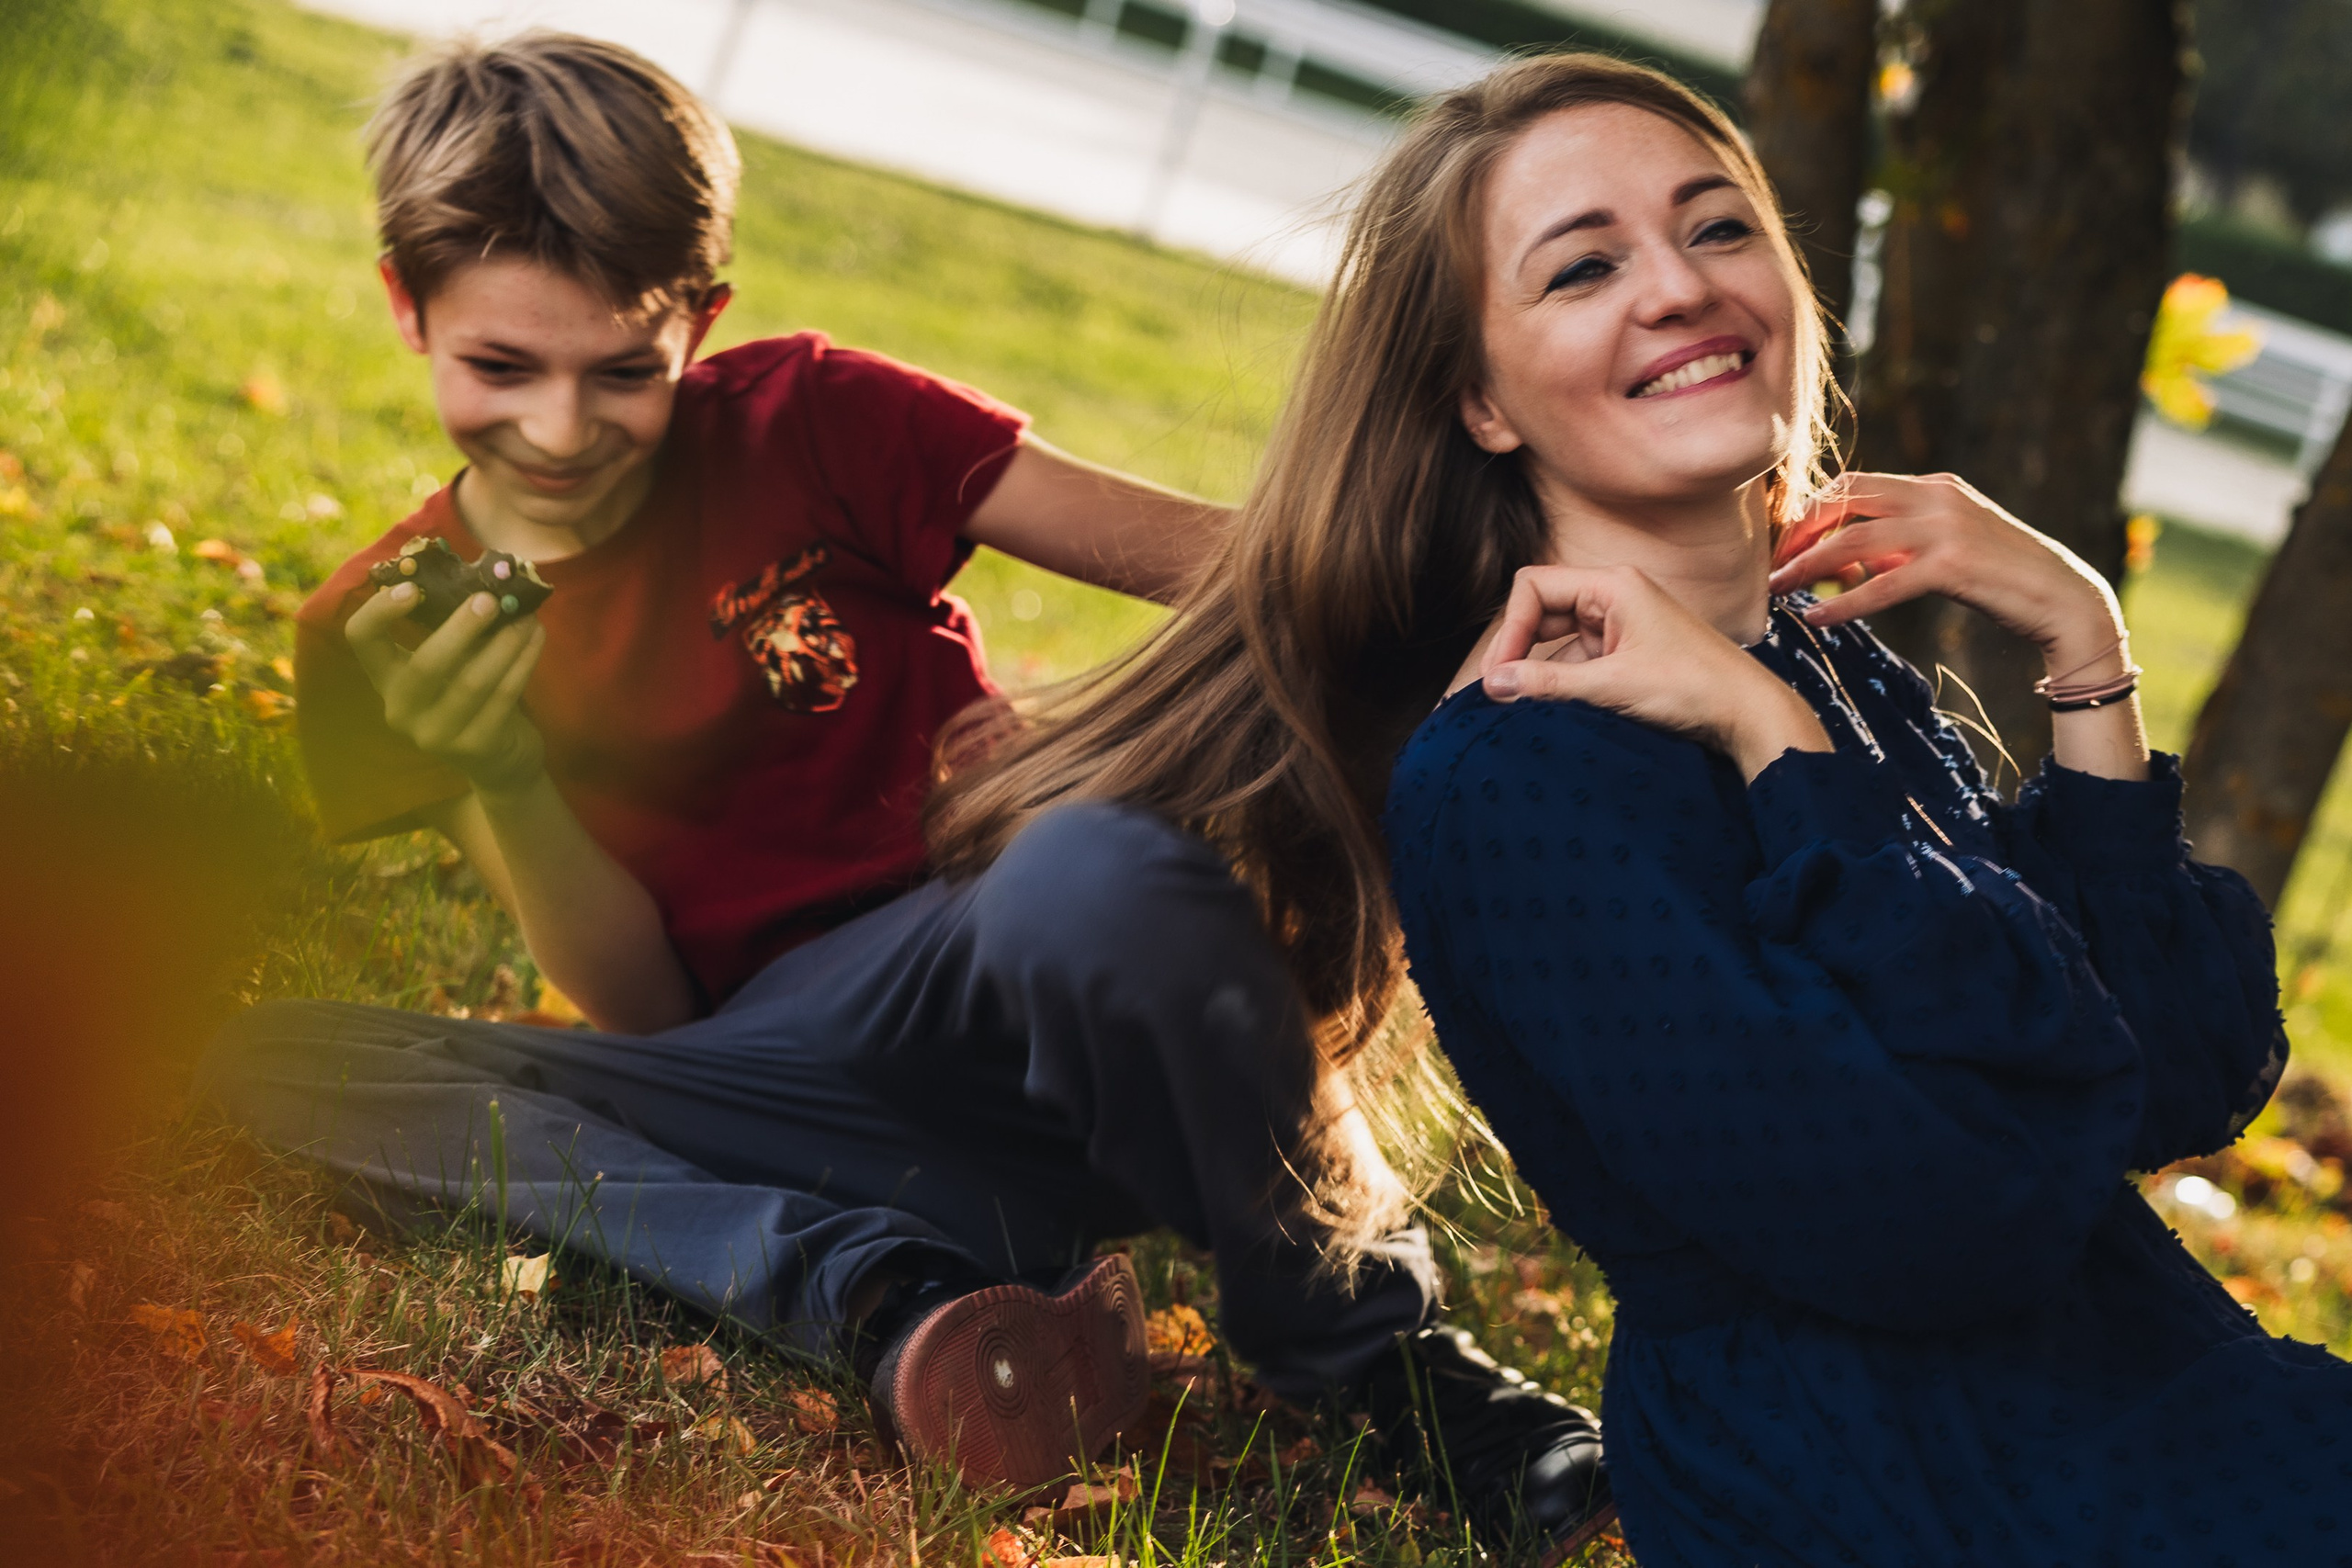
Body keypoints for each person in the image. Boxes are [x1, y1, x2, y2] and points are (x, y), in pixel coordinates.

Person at [924, 48, 2352, 1568]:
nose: (1678, 289)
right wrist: (1773, 746)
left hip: (2149, 1397)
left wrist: (2083, 648)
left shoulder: (1826, 667)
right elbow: (1941, 1220)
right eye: (1584, 266)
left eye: (1718, 227)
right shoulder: (1517, 775)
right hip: (1892, 1480)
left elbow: (2187, 1072)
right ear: (1479, 399)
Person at [201, 31, 1604, 1533]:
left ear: (701, 319)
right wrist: (502, 773)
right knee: (261, 1057)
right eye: (499, 367)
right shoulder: (381, 630)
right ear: (406, 307)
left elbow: (1236, 577)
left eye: (622, 373)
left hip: (1018, 968)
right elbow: (647, 1014)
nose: (559, 430)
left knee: (1090, 861)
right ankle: (893, 1298)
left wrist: (1542, 572)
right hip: (770, 1076)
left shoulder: (812, 420)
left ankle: (1390, 1368)